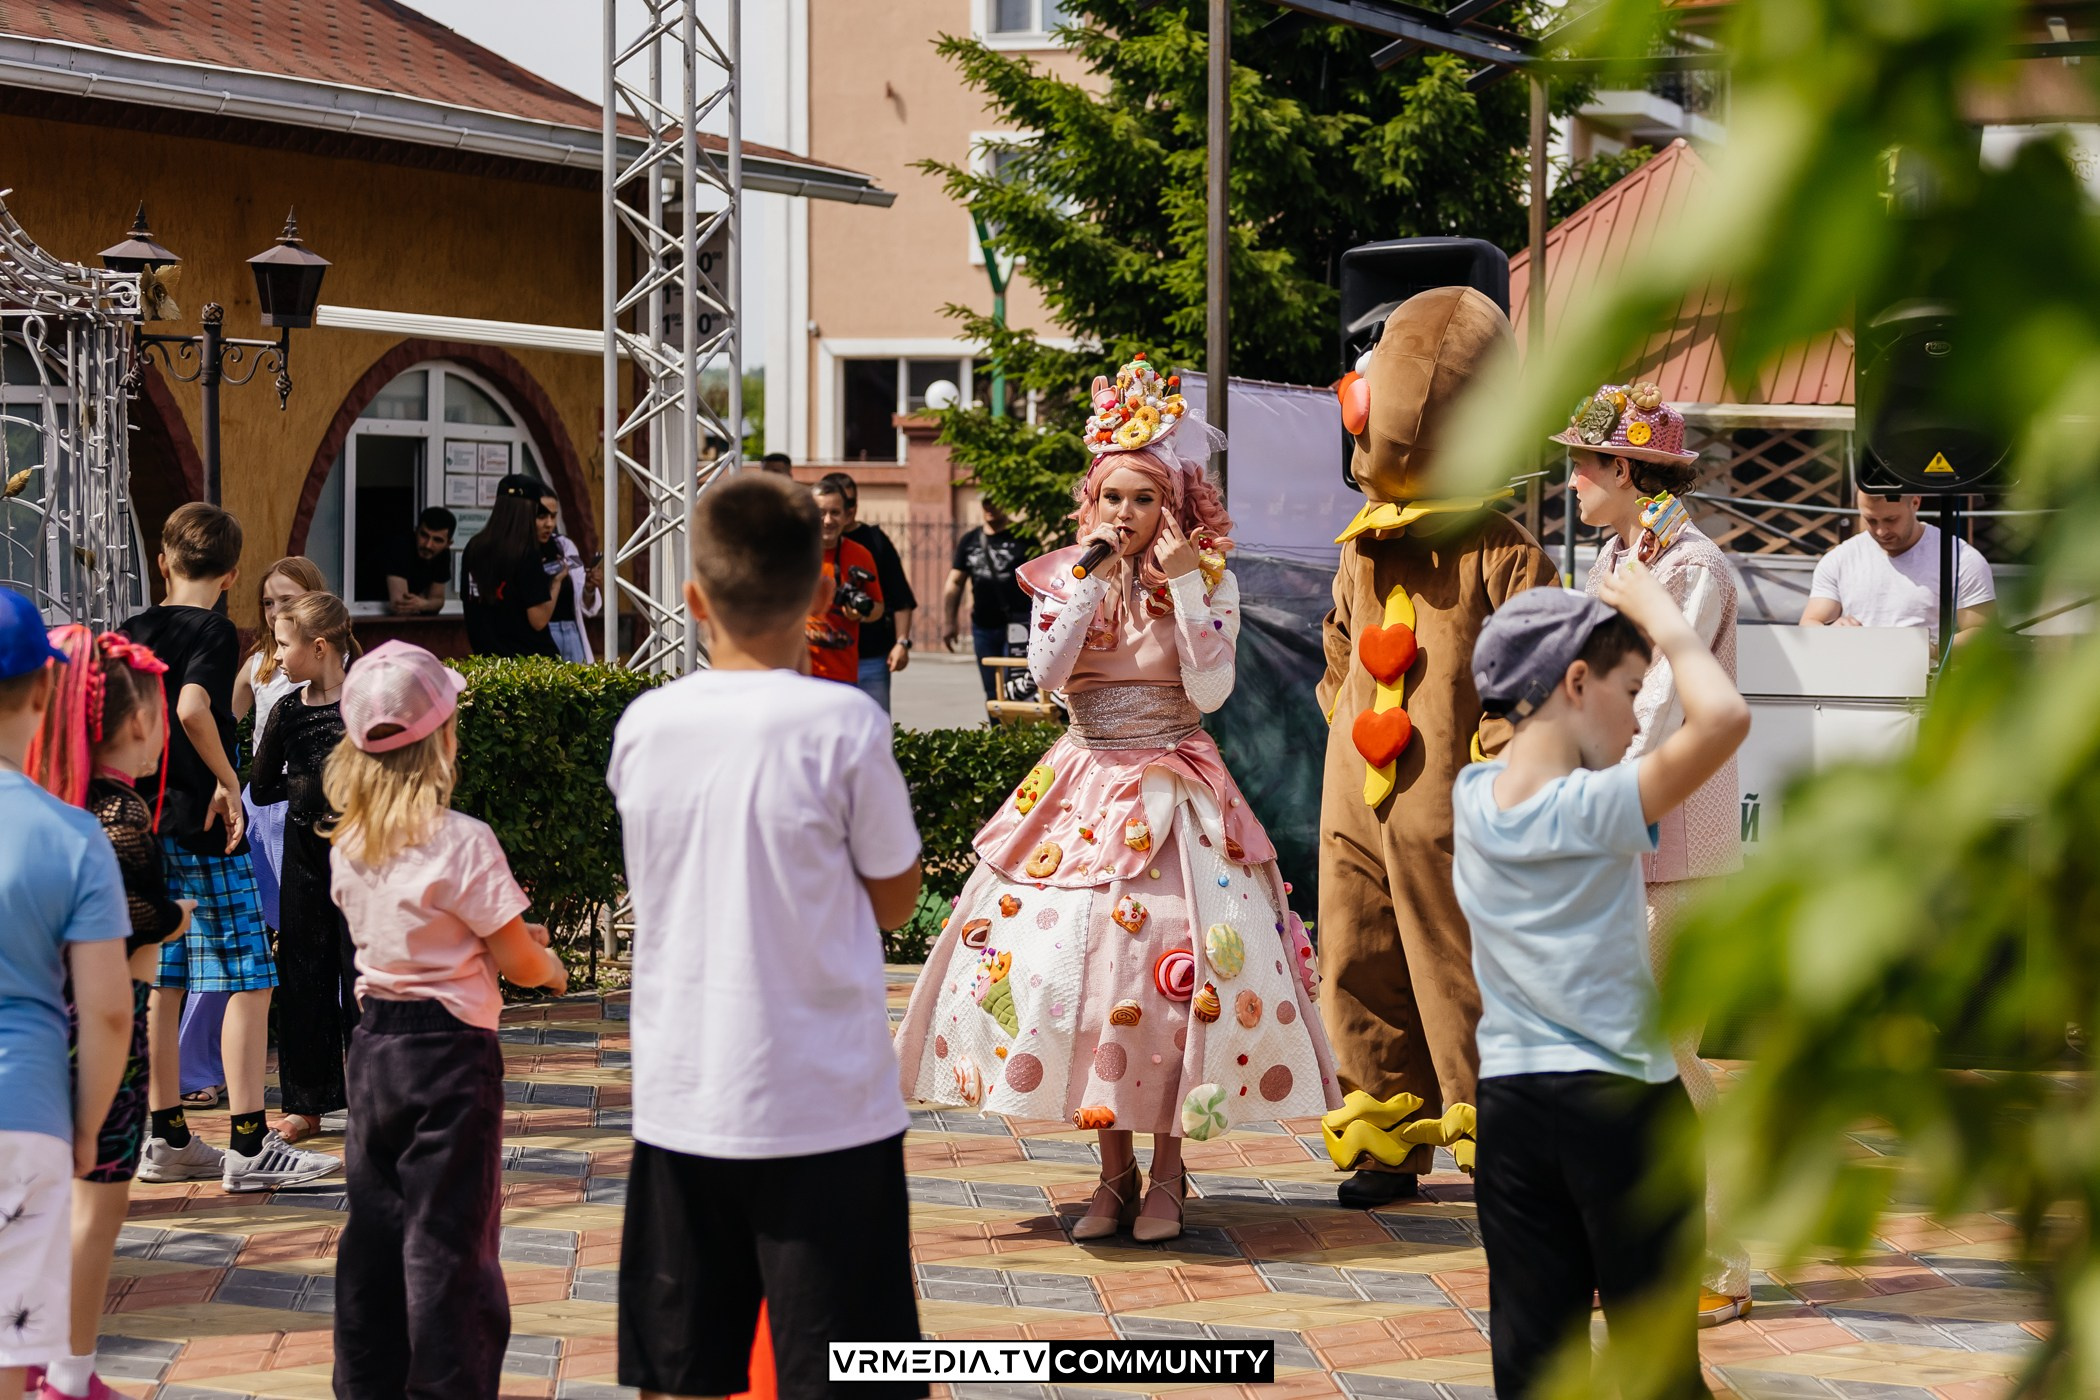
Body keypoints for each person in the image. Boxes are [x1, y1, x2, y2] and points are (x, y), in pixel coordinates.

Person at [894, 353, 1340, 1244]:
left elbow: (1212, 692)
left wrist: (1180, 582)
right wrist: (1089, 580)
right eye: (1112, 499)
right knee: (1085, 985)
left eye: (1143, 498)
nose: (1126, 515)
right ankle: (1113, 1171)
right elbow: (1048, 676)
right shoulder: (1070, 578)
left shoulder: (1209, 582)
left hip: (1176, 790)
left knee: (1176, 986)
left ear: (1171, 504)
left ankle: (1171, 1175)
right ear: (1090, 505)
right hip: (1082, 785)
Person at [610, 473, 926, 1400]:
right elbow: (898, 898)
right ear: (825, 594)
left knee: (680, 1369)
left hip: (684, 1095)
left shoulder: (645, 725)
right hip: (827, 1103)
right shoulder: (845, 726)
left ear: (693, 597)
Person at [1455, 574, 1750, 1400]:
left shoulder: (1473, 796)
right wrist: (1666, 621)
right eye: (1629, 691)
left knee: (1535, 1363)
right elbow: (1724, 719)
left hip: (1511, 1111)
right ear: (1574, 684)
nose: (1636, 720)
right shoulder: (1601, 805)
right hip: (1622, 1110)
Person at [1315, 288, 1560, 1208]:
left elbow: (1530, 668)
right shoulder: (1363, 548)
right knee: (1355, 946)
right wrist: (1343, 723)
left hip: (1456, 793)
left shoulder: (1503, 546)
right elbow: (1339, 640)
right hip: (1360, 785)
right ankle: (1384, 1133)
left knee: (1457, 962)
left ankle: (1495, 1137)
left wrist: (1500, 762)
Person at [326, 641, 568, 1398]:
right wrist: (545, 963)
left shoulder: (350, 842)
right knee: (448, 1244)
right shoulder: (463, 841)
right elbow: (520, 961)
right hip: (451, 1055)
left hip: (372, 1050)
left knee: (375, 1230)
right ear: (445, 739)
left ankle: (367, 1382)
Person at [1564, 384, 1752, 1325]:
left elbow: (1660, 708)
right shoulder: (1622, 555)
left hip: (1676, 843)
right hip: (1626, 832)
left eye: (1585, 465)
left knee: (1664, 1055)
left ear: (1626, 470)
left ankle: (1715, 1256)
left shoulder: (1691, 567)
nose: (1572, 482)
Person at [123, 504, 334, 1192]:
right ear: (233, 573)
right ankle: (249, 1144)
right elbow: (192, 708)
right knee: (250, 974)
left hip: (144, 827)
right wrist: (224, 779)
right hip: (202, 827)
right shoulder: (211, 627)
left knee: (164, 977)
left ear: (163, 560)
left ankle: (166, 1137)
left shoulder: (131, 629)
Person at [24, 626, 194, 1400]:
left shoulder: (56, 799)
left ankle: (32, 1349)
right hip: (100, 1026)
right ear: (133, 722)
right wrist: (176, 917)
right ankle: (69, 1371)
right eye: (158, 715)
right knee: (97, 1203)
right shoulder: (114, 815)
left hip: (46, 1029)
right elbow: (128, 914)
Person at [0, 588, 133, 1396]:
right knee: (9, 1357)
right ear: (45, 693)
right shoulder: (75, 837)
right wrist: (86, 1128)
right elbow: (110, 1011)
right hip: (29, 1116)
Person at [251, 591, 363, 1147]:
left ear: (319, 648)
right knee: (304, 973)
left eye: (285, 643)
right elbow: (263, 782)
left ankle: (376, 1093)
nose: (278, 653)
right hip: (304, 858)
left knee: (365, 972)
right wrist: (309, 787)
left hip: (363, 856)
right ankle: (306, 1102)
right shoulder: (288, 711)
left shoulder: (366, 704)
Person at [1799, 491, 1995, 647]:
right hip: (1853, 682)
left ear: (1915, 502)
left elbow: (1982, 634)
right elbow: (1809, 622)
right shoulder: (1839, 558)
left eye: (1891, 519)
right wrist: (1831, 631)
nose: (1881, 531)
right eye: (1871, 520)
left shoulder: (1961, 558)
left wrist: (1929, 650)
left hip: (1926, 685)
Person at [818, 471, 917, 713]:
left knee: (873, 726)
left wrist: (901, 642)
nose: (830, 518)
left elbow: (898, 595)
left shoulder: (870, 544)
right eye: (822, 512)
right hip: (817, 661)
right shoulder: (798, 550)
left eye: (843, 507)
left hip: (870, 654)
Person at [942, 501, 1035, 701]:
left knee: (1016, 689)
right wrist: (950, 622)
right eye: (986, 504)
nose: (990, 508)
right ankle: (997, 731)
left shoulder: (1024, 537)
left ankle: (1016, 732)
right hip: (983, 627)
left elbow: (1038, 580)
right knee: (992, 690)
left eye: (994, 503)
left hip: (1018, 626)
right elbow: (955, 582)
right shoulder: (970, 540)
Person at [461, 476, 561, 659]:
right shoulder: (526, 553)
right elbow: (538, 620)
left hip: (487, 663)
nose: (549, 523)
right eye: (539, 513)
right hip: (529, 666)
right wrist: (556, 581)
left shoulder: (473, 547)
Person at [807, 479, 886, 685]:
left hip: (842, 674)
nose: (827, 520)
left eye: (835, 512)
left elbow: (878, 607)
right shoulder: (792, 553)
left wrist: (860, 614)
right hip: (799, 674)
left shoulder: (860, 555)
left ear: (847, 516)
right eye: (820, 512)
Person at [537, 490, 603, 664]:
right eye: (542, 516)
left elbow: (585, 602)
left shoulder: (564, 545)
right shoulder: (523, 550)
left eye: (553, 516)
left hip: (572, 630)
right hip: (542, 633)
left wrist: (589, 587)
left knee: (581, 688)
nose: (549, 523)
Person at [384, 508, 456, 617]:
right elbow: (401, 607)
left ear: (448, 543)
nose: (428, 545)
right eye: (424, 535)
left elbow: (438, 601)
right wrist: (426, 602)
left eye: (437, 540)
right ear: (416, 531)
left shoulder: (443, 554)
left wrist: (423, 605)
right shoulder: (400, 547)